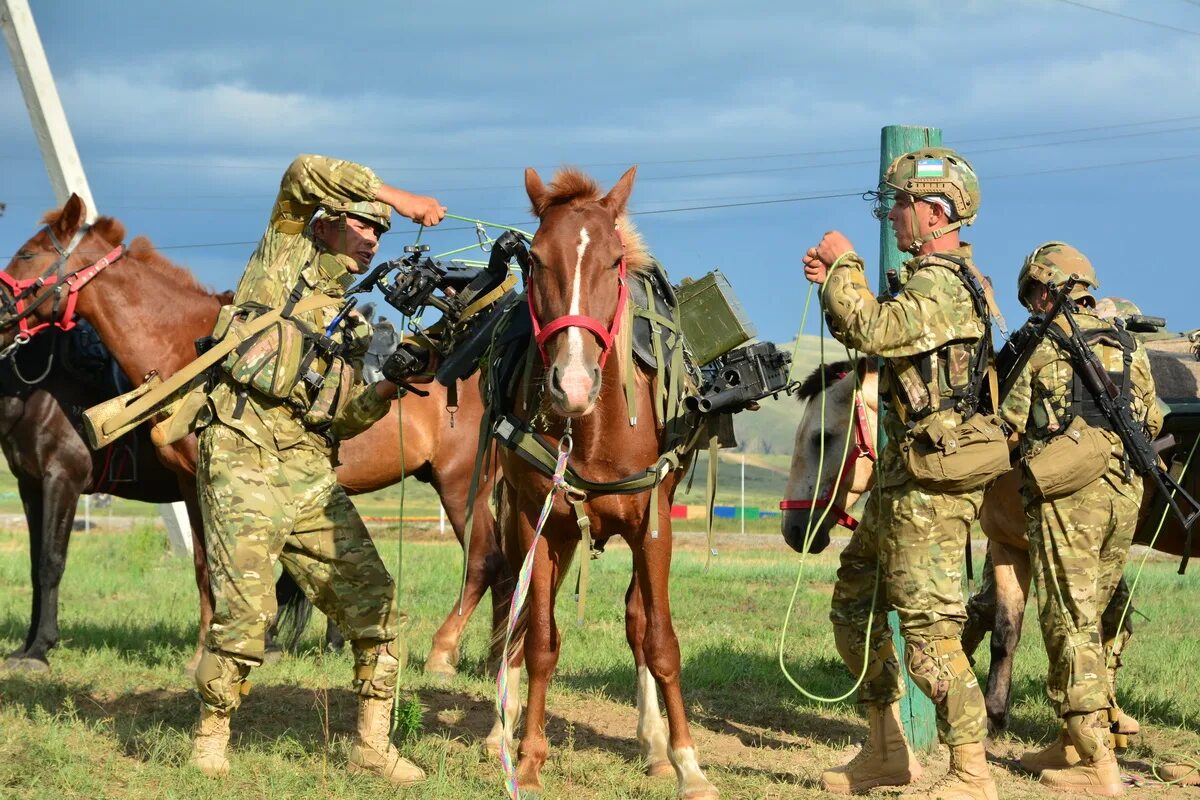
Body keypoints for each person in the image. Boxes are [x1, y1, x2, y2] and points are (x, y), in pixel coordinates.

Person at [188, 154, 445, 785]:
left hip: (305, 467)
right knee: (247, 611)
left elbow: (345, 418)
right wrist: (401, 197)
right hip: (241, 449)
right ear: (329, 222)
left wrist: (387, 388)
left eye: (383, 231)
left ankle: (371, 746)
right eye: (366, 224)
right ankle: (211, 737)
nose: (375, 239)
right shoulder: (282, 251)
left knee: (375, 599)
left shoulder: (354, 322)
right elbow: (303, 169)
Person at [802, 147, 998, 799]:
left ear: (935, 210)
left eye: (900, 204)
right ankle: (887, 752)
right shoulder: (931, 279)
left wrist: (845, 266)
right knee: (854, 605)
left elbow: (872, 328)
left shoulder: (944, 282)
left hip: (929, 487)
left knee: (930, 635)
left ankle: (972, 773)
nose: (892, 217)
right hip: (902, 480)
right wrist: (836, 277)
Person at [1000, 242, 1161, 795]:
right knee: (1092, 615)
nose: (1030, 307)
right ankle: (1072, 741)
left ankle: (1096, 765)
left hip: (1072, 496)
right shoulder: (1129, 344)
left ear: (1047, 289)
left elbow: (1010, 424)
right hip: (1125, 492)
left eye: (1032, 296)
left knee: (1069, 621)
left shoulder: (1045, 346)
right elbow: (1153, 415)